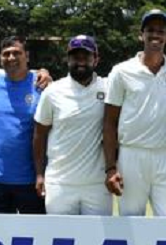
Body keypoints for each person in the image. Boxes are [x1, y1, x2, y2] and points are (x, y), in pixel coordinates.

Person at [102, 9, 166, 216]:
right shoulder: (121, 71)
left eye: (161, 31)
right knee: (132, 224)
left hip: (165, 155)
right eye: (150, 30)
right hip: (131, 155)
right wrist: (111, 167)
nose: (156, 35)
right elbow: (109, 122)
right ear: (141, 34)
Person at [33, 35, 111, 215]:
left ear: (96, 59)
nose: (81, 62)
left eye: (86, 57)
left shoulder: (108, 88)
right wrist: (39, 174)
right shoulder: (52, 91)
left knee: (96, 240)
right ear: (68, 59)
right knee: (61, 240)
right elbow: (39, 134)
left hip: (97, 184)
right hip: (60, 183)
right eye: (76, 57)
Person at [0, 36, 45, 214]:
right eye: (6, 54)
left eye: (17, 53)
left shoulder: (42, 85)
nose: (11, 58)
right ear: (0, 58)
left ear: (27, 56)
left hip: (31, 180)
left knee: (34, 237)